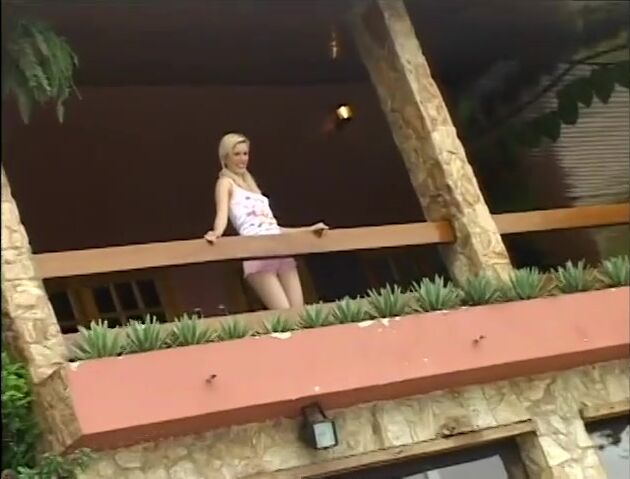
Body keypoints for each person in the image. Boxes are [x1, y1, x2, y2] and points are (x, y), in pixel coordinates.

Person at [204, 132, 328, 310]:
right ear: (226, 157)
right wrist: (216, 233)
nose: (242, 159)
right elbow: (222, 214)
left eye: (245, 153)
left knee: (299, 313)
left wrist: (308, 229)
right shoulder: (225, 183)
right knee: (285, 313)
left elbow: (273, 227)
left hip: (280, 248)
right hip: (256, 250)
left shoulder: (253, 186)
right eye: (236, 154)